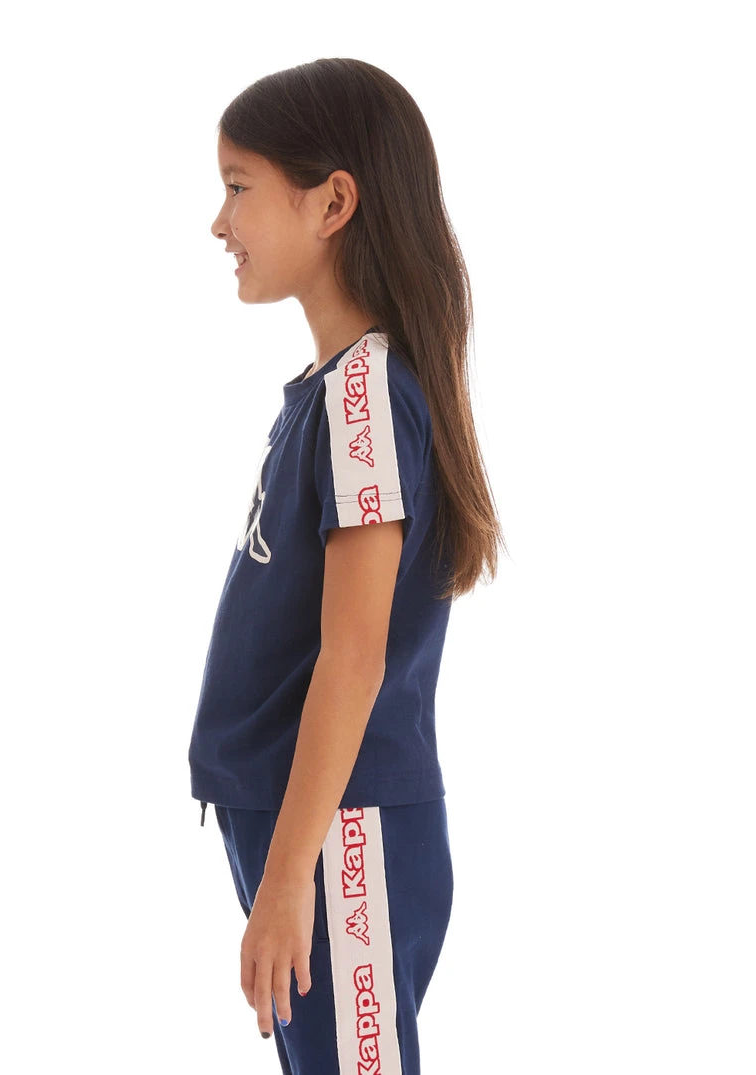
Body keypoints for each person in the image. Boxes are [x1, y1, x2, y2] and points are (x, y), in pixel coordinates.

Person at [187, 57, 505, 1075]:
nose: (219, 222)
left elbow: (354, 656)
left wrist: (291, 879)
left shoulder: (361, 398)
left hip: (340, 836)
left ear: (331, 203)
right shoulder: (334, 394)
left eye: (239, 186)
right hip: (313, 831)